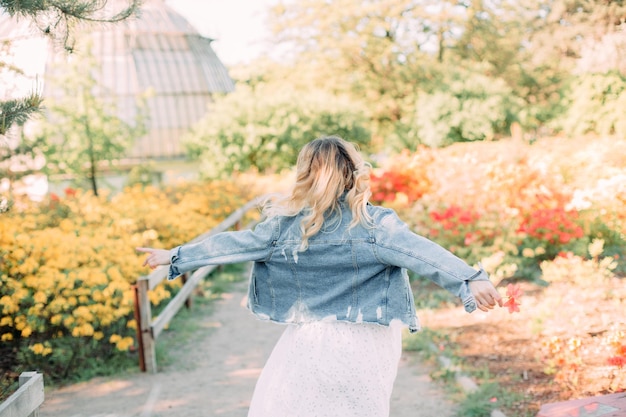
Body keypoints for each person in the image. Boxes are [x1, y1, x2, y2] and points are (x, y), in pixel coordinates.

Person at [137, 135, 503, 417]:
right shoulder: (377, 226)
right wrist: (471, 280)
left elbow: (232, 245)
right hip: (368, 343)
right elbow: (425, 254)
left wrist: (175, 257)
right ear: (355, 172)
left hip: (310, 344)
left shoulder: (284, 227)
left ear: (306, 175)